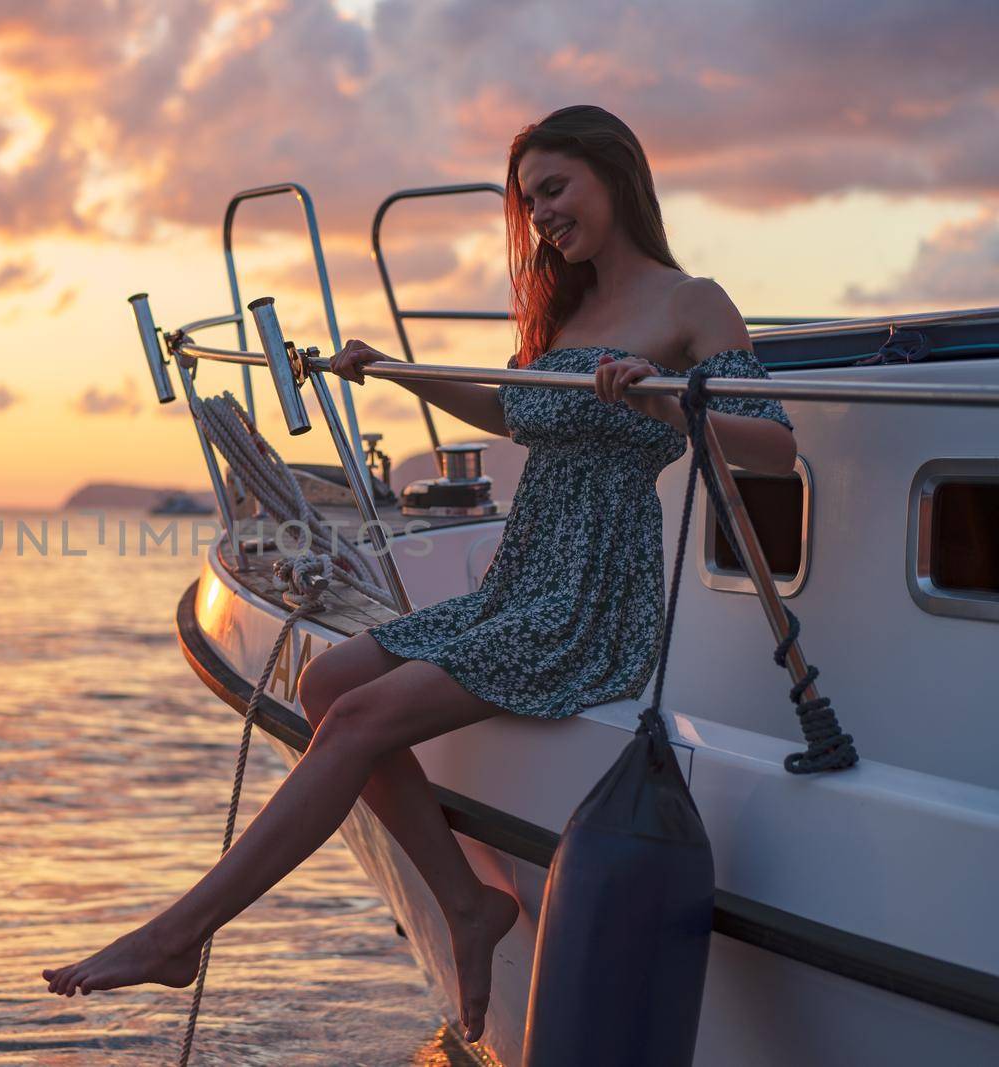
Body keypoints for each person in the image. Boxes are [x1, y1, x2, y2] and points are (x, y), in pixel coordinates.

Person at [42, 104, 797, 1047]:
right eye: (530, 202)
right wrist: (401, 373)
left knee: (358, 719)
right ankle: (467, 904)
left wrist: (668, 399)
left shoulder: (693, 304)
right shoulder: (565, 306)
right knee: (326, 683)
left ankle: (182, 930)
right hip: (523, 579)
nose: (543, 217)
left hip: (591, 596)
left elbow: (771, 445)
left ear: (615, 175)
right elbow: (519, 413)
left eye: (555, 190)